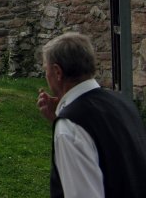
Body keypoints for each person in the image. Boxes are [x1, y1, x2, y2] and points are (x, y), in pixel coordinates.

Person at [37, 32, 146, 197]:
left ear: (57, 72)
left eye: (46, 69)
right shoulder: (122, 102)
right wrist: (59, 117)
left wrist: (66, 121)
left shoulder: (71, 126)